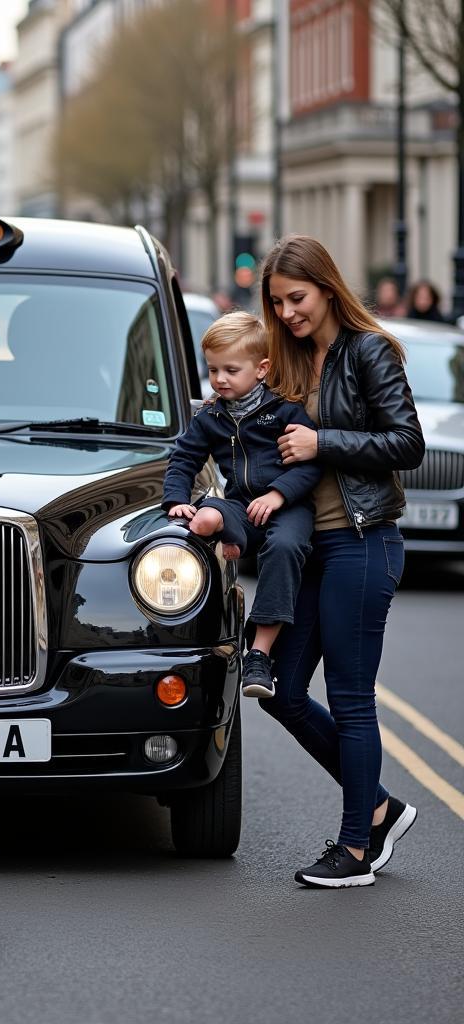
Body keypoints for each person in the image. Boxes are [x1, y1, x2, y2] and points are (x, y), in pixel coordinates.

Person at [260, 234, 424, 889]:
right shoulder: (292, 358)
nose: (288, 313)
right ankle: (379, 807)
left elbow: (406, 441)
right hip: (311, 551)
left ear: (327, 288)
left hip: (362, 541)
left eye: (296, 298)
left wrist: (322, 440)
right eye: (276, 304)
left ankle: (358, 847)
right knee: (278, 687)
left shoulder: (369, 350)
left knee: (351, 699)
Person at [162, 311, 321, 698]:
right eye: (213, 369)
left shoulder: (283, 412)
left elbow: (311, 465)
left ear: (261, 368)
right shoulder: (210, 417)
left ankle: (259, 655)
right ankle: (227, 550)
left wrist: (278, 493)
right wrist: (176, 500)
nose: (220, 379)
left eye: (231, 369)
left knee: (284, 547)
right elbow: (183, 459)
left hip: (287, 507)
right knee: (201, 521)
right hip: (240, 505)